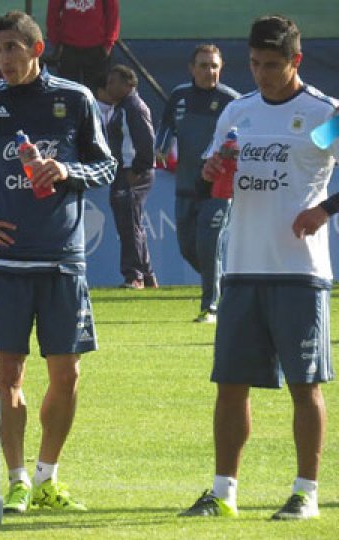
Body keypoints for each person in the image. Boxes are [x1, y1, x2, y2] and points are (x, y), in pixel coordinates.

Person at [0, 10, 116, 514]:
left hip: (62, 260)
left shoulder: (75, 99)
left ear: (37, 50)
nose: (4, 58)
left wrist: (66, 169)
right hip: (7, 263)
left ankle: (47, 478)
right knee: (7, 375)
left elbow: (106, 165)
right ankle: (15, 481)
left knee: (67, 376)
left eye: (13, 47)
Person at [180, 15, 337, 521]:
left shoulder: (323, 113)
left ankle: (305, 492)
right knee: (230, 384)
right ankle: (224, 491)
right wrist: (209, 172)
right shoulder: (237, 112)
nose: (262, 74)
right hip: (242, 269)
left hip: (299, 271)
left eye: (272, 65)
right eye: (254, 64)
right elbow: (212, 171)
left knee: (303, 385)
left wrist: (323, 211)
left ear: (296, 61)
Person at [155, 44, 239, 321]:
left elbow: (246, 137)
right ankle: (227, 287)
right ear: (192, 68)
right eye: (203, 65)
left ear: (221, 68)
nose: (209, 71)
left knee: (209, 244)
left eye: (214, 66)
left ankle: (211, 306)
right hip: (185, 186)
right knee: (188, 247)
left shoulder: (231, 102)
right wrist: (162, 148)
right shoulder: (179, 96)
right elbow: (166, 126)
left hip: (218, 188)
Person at [104, 64, 157, 289]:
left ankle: (134, 276)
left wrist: (138, 168)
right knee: (131, 224)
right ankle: (146, 275)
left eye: (113, 82)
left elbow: (146, 140)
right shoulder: (121, 107)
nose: (108, 87)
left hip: (131, 171)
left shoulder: (133, 107)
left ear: (129, 84)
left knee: (129, 224)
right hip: (124, 170)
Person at [46, 0, 119, 93]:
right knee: (68, 92)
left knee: (96, 93)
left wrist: (108, 43)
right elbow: (53, 12)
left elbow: (113, 13)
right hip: (68, 49)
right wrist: (56, 42)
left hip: (97, 49)